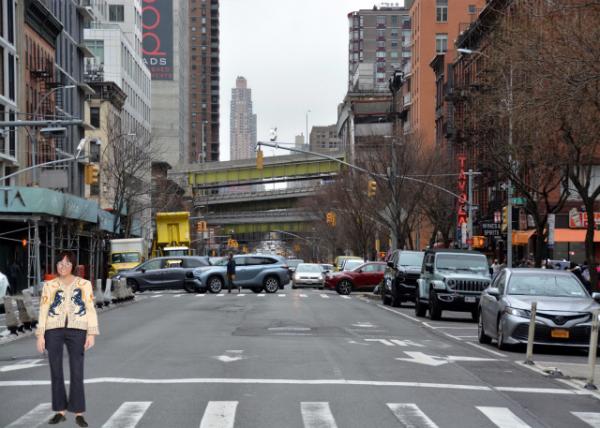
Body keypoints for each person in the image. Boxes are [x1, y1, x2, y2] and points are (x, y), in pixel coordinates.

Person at [36, 251, 99, 427]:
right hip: (53, 330)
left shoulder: (84, 284)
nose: (63, 267)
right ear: (56, 265)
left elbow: (90, 308)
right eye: (60, 263)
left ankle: (79, 413)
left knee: (77, 371)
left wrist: (91, 333)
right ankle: (60, 411)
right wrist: (40, 335)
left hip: (77, 330)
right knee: (55, 371)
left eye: (67, 263)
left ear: (73, 266)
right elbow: (43, 309)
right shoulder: (50, 285)